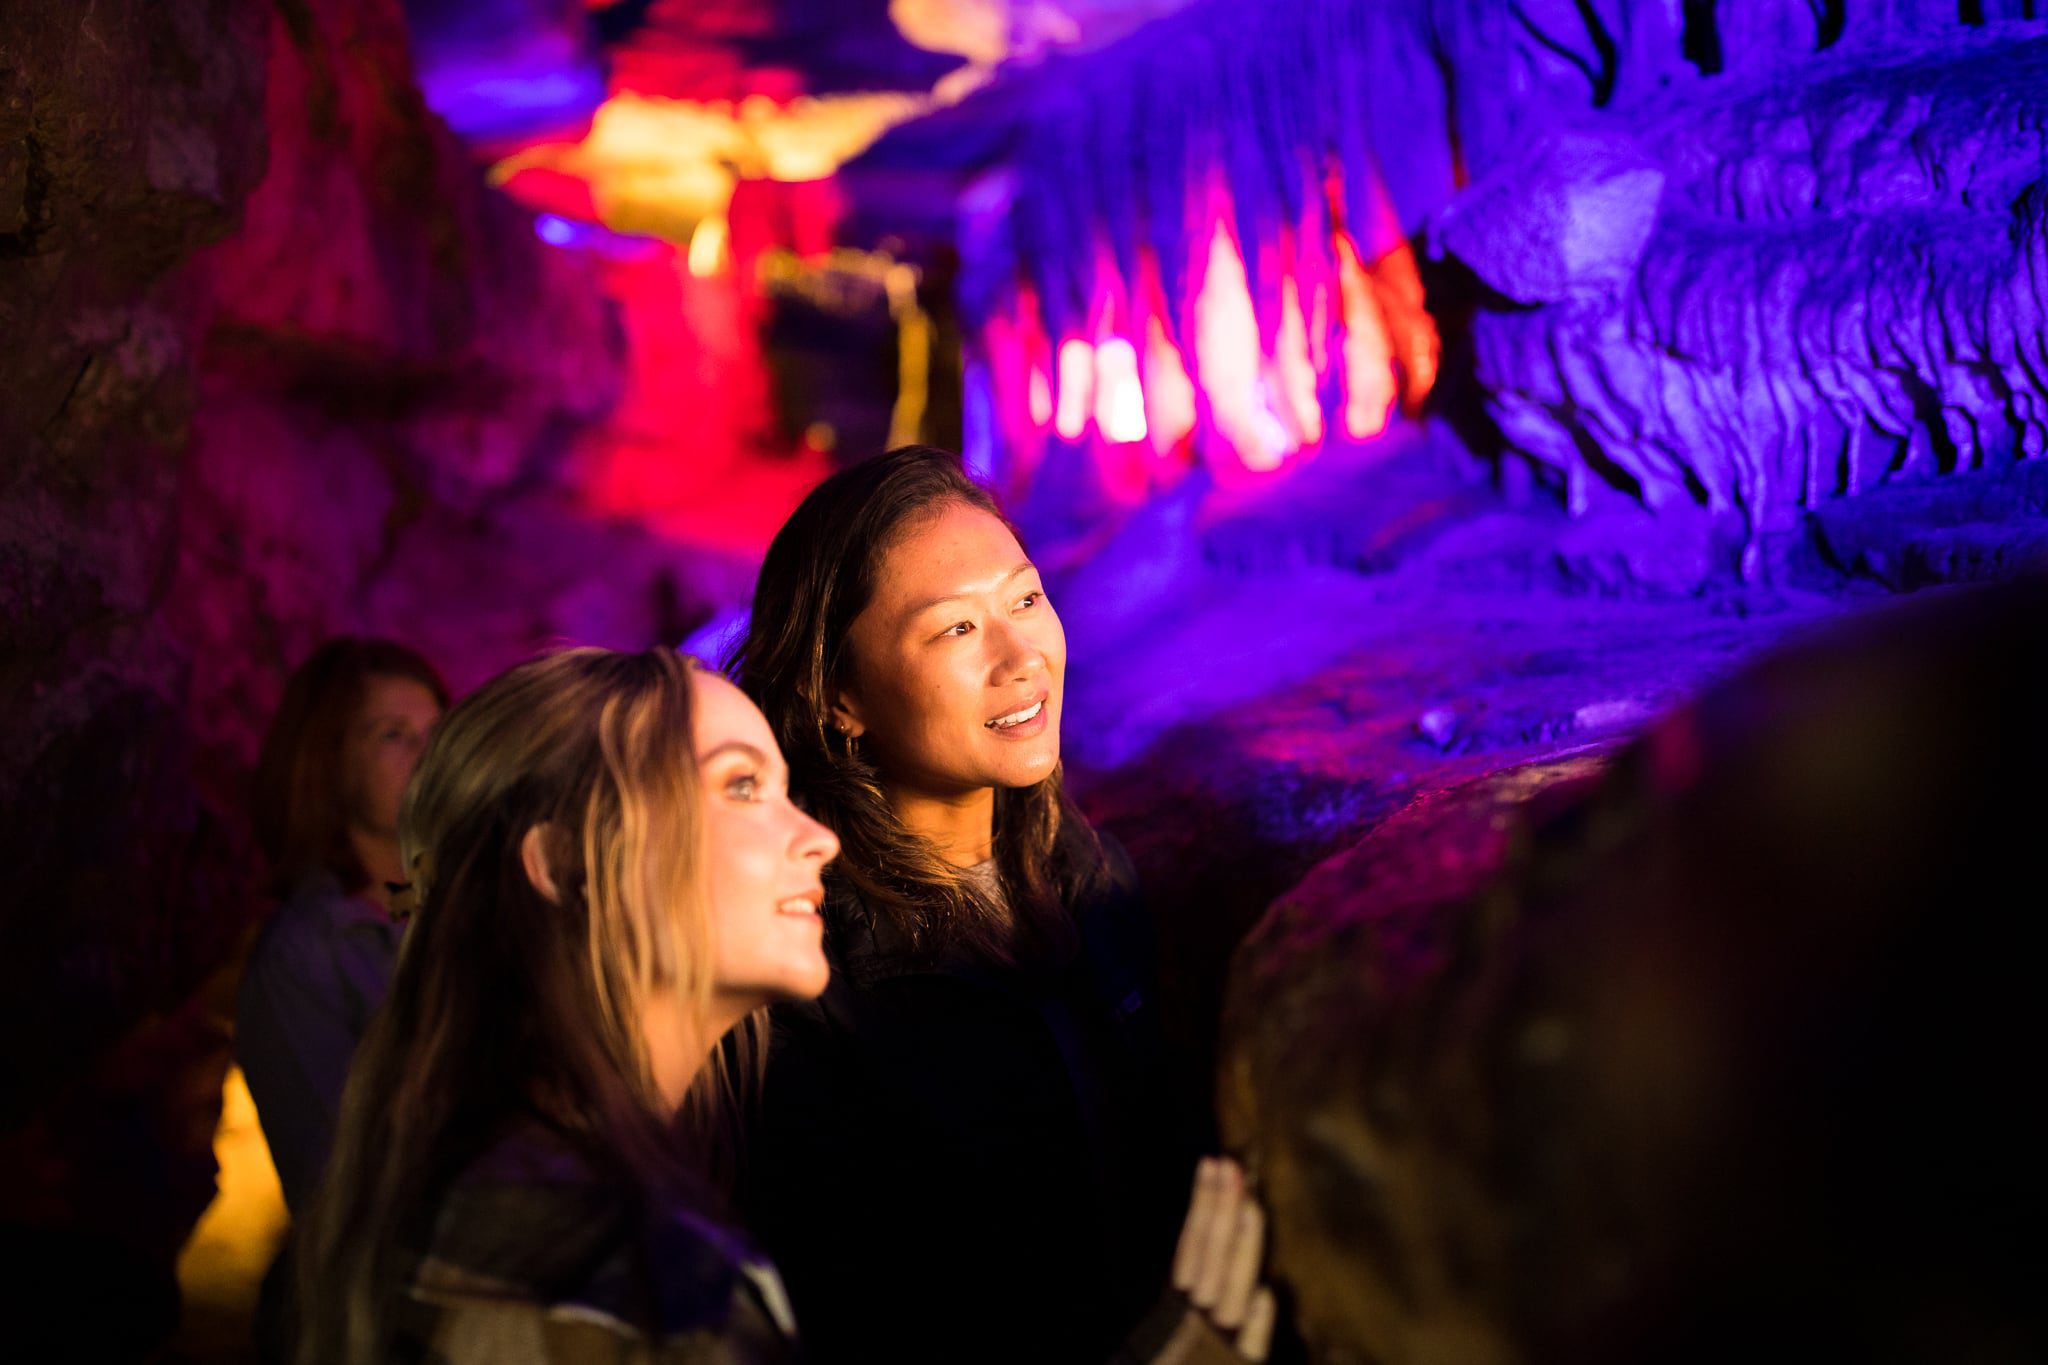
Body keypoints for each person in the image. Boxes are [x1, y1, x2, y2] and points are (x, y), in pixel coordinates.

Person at [295, 648, 1273, 1364]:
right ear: (566, 864)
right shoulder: (640, 1276)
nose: (813, 837)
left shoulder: (475, 1180)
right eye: (739, 786)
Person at [729, 446, 1195, 1363]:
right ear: (841, 697)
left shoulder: (1091, 879)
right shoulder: (807, 979)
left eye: (1025, 599)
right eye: (954, 630)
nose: (1023, 656)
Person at [238, 637, 448, 1216]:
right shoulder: (305, 957)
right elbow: (334, 1190)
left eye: (437, 734)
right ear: (330, 760)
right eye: (393, 735)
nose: (426, 756)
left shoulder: (457, 908)